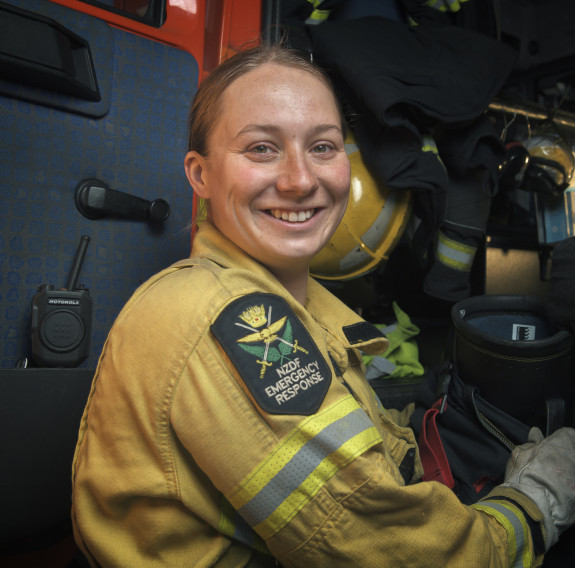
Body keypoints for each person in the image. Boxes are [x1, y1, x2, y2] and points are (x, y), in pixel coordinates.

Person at [71, 44, 575, 567]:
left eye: (323, 147)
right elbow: (393, 555)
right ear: (200, 175)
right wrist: (535, 502)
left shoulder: (288, 299)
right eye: (262, 149)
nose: (301, 180)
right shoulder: (233, 319)